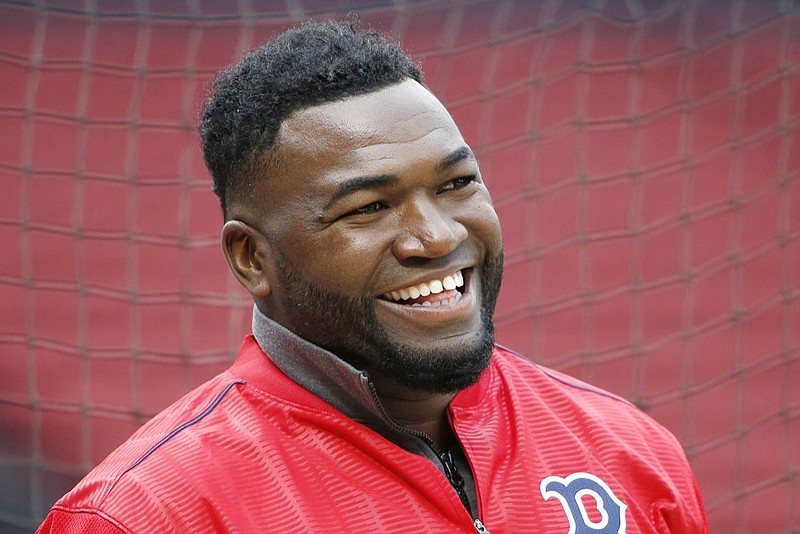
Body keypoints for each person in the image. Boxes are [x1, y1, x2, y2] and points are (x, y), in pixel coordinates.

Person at [37, 19, 708, 533]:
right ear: (252, 258)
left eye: (457, 183)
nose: (438, 236)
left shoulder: (627, 448)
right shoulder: (147, 512)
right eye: (369, 208)